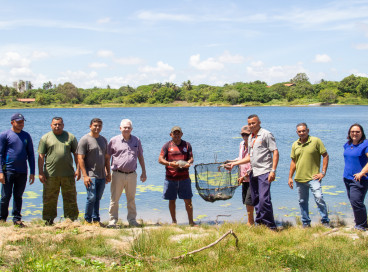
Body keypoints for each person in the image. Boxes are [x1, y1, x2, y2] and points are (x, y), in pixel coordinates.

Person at [230, 114, 278, 229]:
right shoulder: (251, 137)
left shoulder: (266, 134)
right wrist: (234, 163)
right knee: (256, 199)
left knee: (264, 199)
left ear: (259, 123)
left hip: (264, 171)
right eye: (249, 124)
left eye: (253, 123)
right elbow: (250, 157)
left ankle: (270, 226)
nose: (251, 125)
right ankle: (261, 224)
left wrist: (273, 171)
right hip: (253, 172)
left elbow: (275, 152)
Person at [38, 117, 80, 225]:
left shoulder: (70, 137)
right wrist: (40, 173)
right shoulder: (45, 138)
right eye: (55, 124)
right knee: (49, 198)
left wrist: (78, 169)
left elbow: (77, 154)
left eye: (59, 124)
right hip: (50, 175)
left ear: (63, 125)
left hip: (68, 174)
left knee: (70, 198)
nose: (57, 126)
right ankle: (49, 220)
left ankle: (71, 219)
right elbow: (41, 156)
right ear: (51, 125)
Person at [288, 123, 330, 228]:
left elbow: (325, 155)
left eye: (303, 131)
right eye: (299, 131)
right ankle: (306, 222)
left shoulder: (316, 141)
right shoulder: (295, 144)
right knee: (302, 201)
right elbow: (293, 162)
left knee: (319, 197)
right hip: (299, 178)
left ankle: (325, 221)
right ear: (297, 132)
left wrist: (323, 172)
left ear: (308, 130)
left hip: (314, 178)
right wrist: (290, 177)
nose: (302, 133)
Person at [107, 119, 147, 228]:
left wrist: (144, 171)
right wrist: (106, 172)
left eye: (129, 127)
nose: (126, 129)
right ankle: (113, 221)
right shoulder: (114, 140)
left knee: (131, 198)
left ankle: (132, 220)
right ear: (120, 128)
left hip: (132, 174)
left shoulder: (136, 140)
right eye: (124, 127)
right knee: (114, 199)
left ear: (131, 129)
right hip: (117, 174)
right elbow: (107, 157)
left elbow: (140, 156)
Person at [0, 113, 35, 227]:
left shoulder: (26, 136)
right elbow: (0, 154)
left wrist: (33, 172)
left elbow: (30, 154)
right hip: (8, 170)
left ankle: (17, 219)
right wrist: (0, 172)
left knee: (18, 196)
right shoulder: (5, 135)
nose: (21, 124)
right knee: (5, 196)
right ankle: (2, 219)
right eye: (19, 122)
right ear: (12, 122)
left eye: (22, 122)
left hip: (22, 171)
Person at [77, 118, 111, 226]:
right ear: (90, 126)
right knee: (91, 197)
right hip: (90, 175)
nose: (97, 128)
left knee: (98, 198)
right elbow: (80, 158)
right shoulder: (85, 139)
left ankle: (96, 220)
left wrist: (108, 173)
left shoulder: (104, 140)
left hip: (101, 174)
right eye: (95, 125)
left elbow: (106, 158)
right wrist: (85, 176)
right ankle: (87, 220)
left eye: (99, 126)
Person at [158, 126, 195, 226]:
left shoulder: (187, 145)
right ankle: (174, 221)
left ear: (182, 134)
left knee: (188, 201)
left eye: (178, 133)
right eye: (174, 133)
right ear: (171, 135)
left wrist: (188, 162)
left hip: (185, 179)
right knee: (171, 200)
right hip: (171, 178)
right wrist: (170, 164)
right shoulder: (167, 146)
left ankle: (191, 222)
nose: (177, 135)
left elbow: (191, 158)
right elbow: (160, 159)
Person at [227, 126, 254, 225]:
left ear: (251, 134)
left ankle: (250, 222)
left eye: (247, 134)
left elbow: (253, 162)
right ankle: (250, 221)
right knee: (246, 200)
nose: (245, 137)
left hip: (252, 177)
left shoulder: (254, 145)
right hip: (243, 177)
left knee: (250, 200)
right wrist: (231, 162)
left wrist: (245, 175)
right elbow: (241, 157)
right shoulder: (241, 144)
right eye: (243, 134)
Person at [343, 123, 368, 231]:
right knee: (354, 202)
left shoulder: (365, 144)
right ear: (349, 133)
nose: (355, 133)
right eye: (353, 131)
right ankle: (358, 221)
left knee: (356, 201)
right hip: (347, 178)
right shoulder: (347, 144)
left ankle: (361, 225)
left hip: (360, 179)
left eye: (357, 132)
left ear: (361, 133)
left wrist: (362, 172)